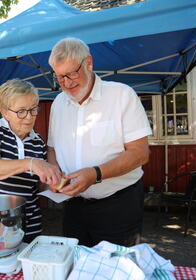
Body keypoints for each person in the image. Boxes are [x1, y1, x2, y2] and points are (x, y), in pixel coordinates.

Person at [47, 38, 152, 247]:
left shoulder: (122, 95)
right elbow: (52, 148)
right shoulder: (58, 103)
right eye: (59, 77)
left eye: (71, 73)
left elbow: (140, 153)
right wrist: (54, 174)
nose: (66, 83)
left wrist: (95, 174)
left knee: (117, 271)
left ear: (89, 63)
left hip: (118, 206)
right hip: (73, 206)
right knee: (76, 267)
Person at [0, 79, 62, 243]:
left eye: (33, 109)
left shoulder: (38, 142)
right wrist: (31, 163)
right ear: (5, 111)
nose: (29, 117)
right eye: (21, 111)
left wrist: (55, 183)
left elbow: (38, 186)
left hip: (28, 224)